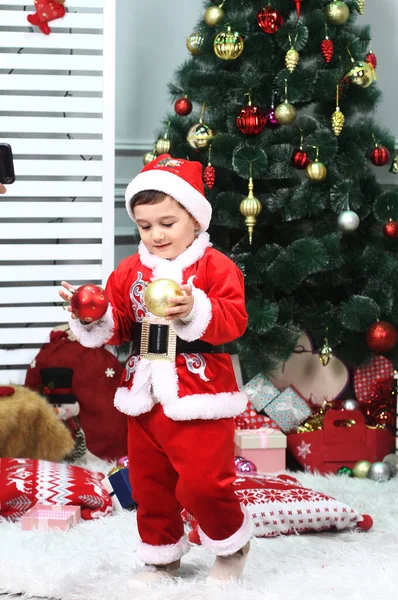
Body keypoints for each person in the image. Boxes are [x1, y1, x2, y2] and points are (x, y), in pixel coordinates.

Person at [59, 154, 252, 584]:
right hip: (143, 393)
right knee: (150, 486)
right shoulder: (130, 270)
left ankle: (232, 545)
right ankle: (162, 557)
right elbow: (120, 325)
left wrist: (195, 308)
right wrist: (91, 316)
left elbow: (234, 319)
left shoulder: (215, 267)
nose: (156, 235)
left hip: (199, 393)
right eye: (145, 226)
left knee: (203, 483)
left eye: (167, 223)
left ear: (196, 220)